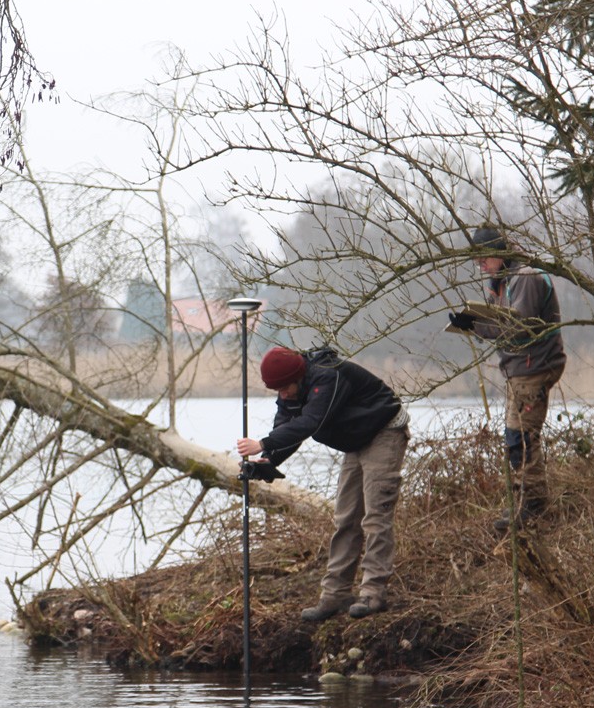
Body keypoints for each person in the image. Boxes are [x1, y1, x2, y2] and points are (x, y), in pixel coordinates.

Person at [236, 346, 409, 621]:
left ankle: (373, 593)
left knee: (376, 516)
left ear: (298, 377)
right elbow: (286, 425)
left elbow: (310, 423)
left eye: (284, 389)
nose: (282, 395)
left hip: (384, 431)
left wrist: (262, 444)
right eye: (277, 391)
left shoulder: (328, 377)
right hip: (356, 439)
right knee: (346, 518)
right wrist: (268, 461)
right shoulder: (291, 387)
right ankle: (335, 595)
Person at [448, 225, 566, 533]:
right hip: (519, 369)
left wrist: (475, 325)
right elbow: (503, 324)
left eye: (483, 258)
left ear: (499, 252)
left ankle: (535, 506)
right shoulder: (501, 281)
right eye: (477, 260)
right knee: (515, 440)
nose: (480, 265)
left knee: (522, 439)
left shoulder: (525, 278)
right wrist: (473, 323)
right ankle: (525, 501)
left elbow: (518, 331)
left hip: (535, 366)